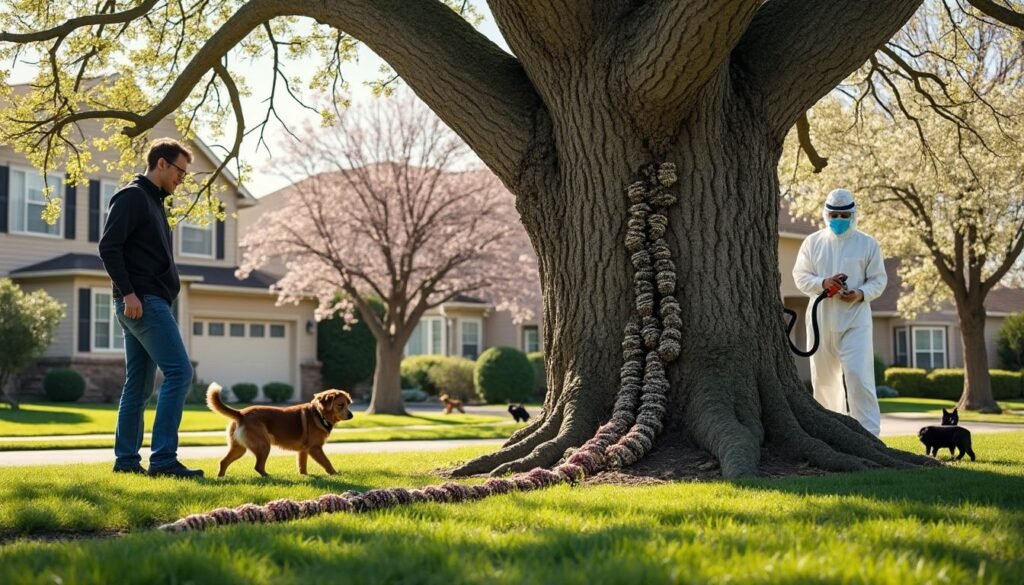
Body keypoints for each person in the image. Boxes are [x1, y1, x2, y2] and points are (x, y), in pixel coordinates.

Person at [99, 138, 203, 478]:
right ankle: (163, 460)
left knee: (139, 384)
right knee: (180, 372)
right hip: (142, 301)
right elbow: (109, 247)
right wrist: (128, 293)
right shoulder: (132, 197)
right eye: (180, 172)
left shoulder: (155, 202)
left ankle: (127, 462)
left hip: (146, 301)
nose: (181, 180)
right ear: (161, 163)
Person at [792, 188, 887, 436]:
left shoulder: (868, 244)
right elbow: (800, 276)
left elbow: (878, 280)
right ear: (826, 214)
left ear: (853, 215)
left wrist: (859, 293)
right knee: (824, 381)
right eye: (834, 214)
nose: (839, 220)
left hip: (855, 319)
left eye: (844, 215)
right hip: (820, 319)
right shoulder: (812, 242)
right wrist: (823, 283)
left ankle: (869, 436)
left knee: (859, 377)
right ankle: (832, 435)